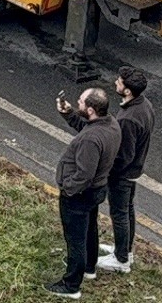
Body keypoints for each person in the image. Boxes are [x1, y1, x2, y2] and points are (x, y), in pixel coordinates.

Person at [48, 87, 121, 298]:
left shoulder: (90, 140)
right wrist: (69, 113)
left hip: (79, 194)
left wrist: (68, 188)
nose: (77, 102)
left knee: (75, 239)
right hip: (97, 190)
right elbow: (87, 129)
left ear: (90, 110)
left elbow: (84, 174)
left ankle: (71, 285)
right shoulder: (110, 124)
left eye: (80, 102)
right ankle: (89, 266)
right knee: (90, 229)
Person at [98, 68, 154, 273]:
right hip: (135, 170)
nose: (115, 83)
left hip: (122, 174)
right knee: (128, 210)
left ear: (128, 91)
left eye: (119, 82)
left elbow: (123, 155)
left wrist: (107, 172)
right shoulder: (144, 104)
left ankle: (121, 260)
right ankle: (125, 250)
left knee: (119, 213)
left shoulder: (129, 118)